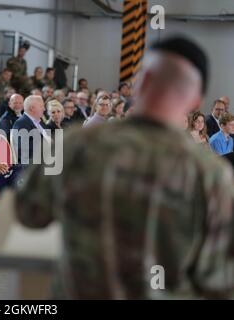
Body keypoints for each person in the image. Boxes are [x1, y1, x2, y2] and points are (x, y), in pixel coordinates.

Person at [15, 36, 234, 299]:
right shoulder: (212, 176)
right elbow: (218, 281)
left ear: (140, 83)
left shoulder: (72, 145)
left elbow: (27, 215)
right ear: (197, 101)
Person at [12, 95, 50, 165]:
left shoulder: (40, 122)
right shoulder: (21, 123)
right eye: (41, 106)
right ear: (32, 108)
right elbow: (24, 150)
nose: (44, 109)